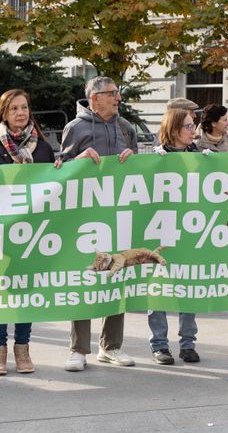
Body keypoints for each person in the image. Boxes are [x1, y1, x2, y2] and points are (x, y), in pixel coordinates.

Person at [0, 89, 55, 375]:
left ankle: (23, 349)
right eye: (14, 109)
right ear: (3, 113)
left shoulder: (42, 147)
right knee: (0, 290)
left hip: (30, 230)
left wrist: (58, 170)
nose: (21, 113)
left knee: (24, 290)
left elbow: (54, 187)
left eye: (24, 108)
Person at [59, 76, 137, 372]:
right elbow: (61, 170)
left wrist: (132, 160)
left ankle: (111, 346)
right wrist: (78, 158)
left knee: (116, 277)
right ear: (94, 98)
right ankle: (78, 349)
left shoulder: (125, 126)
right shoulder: (75, 128)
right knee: (86, 278)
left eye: (118, 93)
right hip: (86, 217)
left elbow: (141, 172)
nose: (118, 98)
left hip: (118, 214)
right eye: (112, 93)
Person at [149, 108, 202, 364]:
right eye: (189, 126)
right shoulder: (156, 158)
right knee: (157, 288)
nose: (194, 131)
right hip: (161, 232)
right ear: (174, 129)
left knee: (188, 287)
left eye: (194, 126)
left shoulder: (202, 157)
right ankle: (159, 344)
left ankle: (188, 344)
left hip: (189, 232)